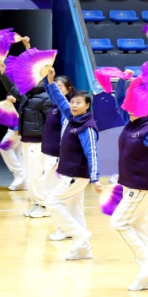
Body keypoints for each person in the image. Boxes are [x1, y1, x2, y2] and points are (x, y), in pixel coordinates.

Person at [97, 99, 148, 291]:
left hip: (141, 186)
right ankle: (147, 274)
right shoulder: (131, 124)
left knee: (118, 223)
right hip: (129, 184)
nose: (131, 110)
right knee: (139, 229)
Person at [43, 68, 99, 260]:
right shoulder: (72, 117)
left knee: (52, 203)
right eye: (73, 102)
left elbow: (93, 153)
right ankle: (84, 250)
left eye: (78, 103)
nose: (73, 105)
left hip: (76, 175)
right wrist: (49, 81)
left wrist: (96, 178)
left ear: (87, 105)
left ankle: (80, 234)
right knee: (76, 210)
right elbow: (59, 99)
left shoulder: (87, 127)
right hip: (70, 173)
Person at [0, 56, 50, 217]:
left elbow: (52, 123)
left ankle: (43, 205)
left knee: (36, 174)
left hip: (38, 142)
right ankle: (36, 203)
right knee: (31, 174)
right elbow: (13, 90)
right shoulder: (29, 94)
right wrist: (3, 74)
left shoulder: (46, 98)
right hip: (27, 139)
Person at [41, 75, 75, 240]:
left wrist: (60, 156)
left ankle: (65, 228)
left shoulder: (67, 108)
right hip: (50, 154)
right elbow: (50, 91)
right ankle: (65, 228)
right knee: (50, 194)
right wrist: (46, 78)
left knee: (56, 196)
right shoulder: (56, 104)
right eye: (56, 86)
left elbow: (64, 135)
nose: (56, 89)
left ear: (69, 89)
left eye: (60, 86)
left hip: (57, 156)